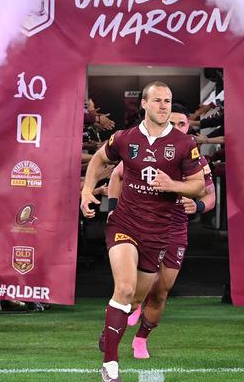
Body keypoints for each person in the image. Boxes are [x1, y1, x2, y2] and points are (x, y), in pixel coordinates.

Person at [80, 81, 206, 382]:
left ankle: (110, 332)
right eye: (159, 100)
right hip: (125, 224)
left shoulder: (185, 144)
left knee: (135, 301)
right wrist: (87, 192)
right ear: (145, 105)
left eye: (168, 100)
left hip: (158, 233)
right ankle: (110, 367)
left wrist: (172, 185)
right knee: (123, 288)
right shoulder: (124, 138)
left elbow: (199, 186)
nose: (164, 106)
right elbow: (100, 159)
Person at [108, 103, 216, 359]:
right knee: (130, 291)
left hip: (175, 228)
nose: (177, 128)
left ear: (188, 127)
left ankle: (141, 339)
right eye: (174, 123)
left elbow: (210, 196)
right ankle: (116, 325)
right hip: (141, 223)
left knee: (162, 291)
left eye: (182, 124)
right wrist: (112, 209)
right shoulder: (149, 150)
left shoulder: (196, 159)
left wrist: (198, 205)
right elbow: (116, 175)